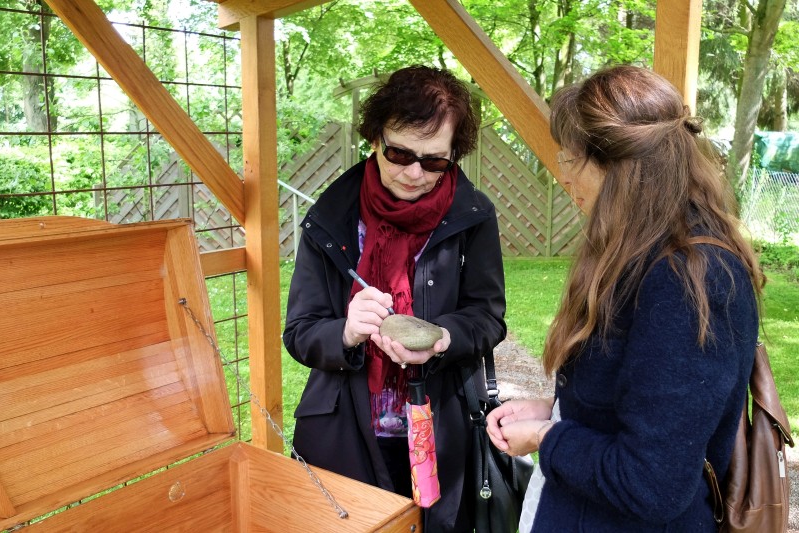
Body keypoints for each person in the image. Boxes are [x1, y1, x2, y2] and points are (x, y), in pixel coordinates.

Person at [486, 65, 764, 532]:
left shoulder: (691, 279)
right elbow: (639, 404)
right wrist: (556, 410)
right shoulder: (646, 252)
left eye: (571, 158)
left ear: (620, 167)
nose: (565, 177)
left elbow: (652, 483)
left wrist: (546, 436)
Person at [282, 64, 507, 532]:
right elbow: (300, 332)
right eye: (400, 153)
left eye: (434, 161)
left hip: (440, 426)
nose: (413, 172)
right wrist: (344, 330)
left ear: (454, 156)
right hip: (344, 428)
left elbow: (488, 316)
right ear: (375, 139)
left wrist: (446, 336)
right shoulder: (329, 218)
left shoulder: (474, 216)